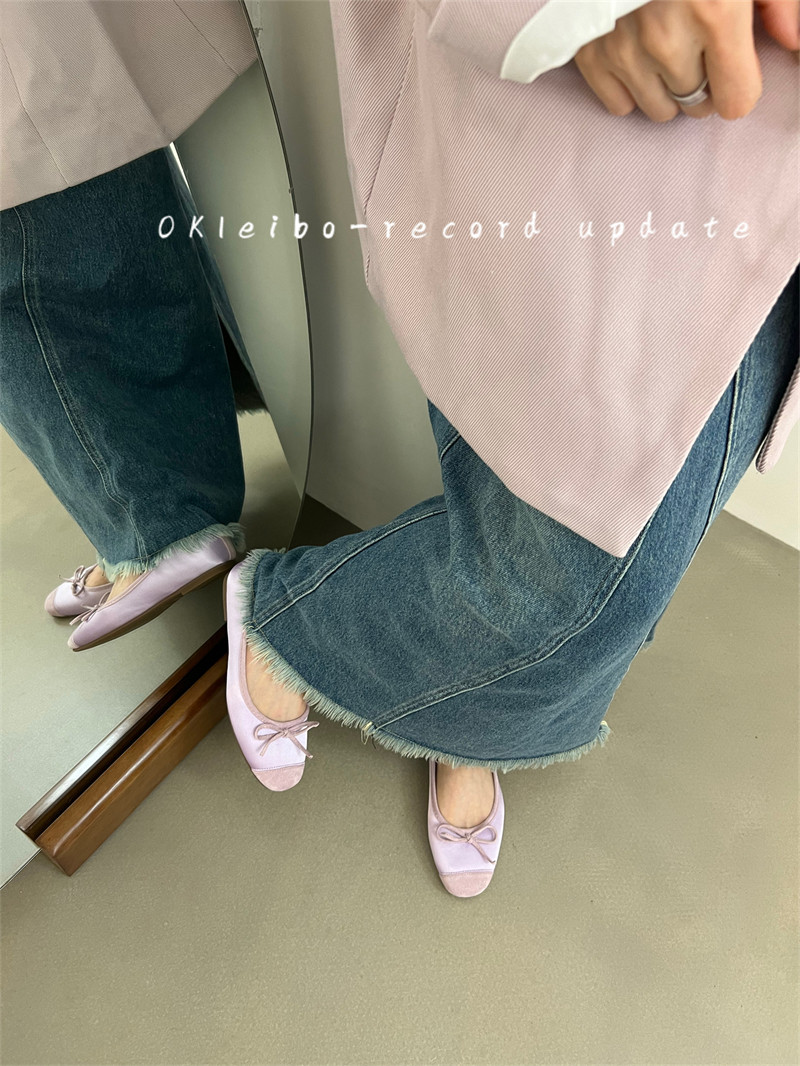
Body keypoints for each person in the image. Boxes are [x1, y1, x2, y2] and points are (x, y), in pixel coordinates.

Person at [223, 0, 799, 898]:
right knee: (570, 562)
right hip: (629, 86)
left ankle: (471, 722)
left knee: (620, 511)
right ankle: (288, 620)